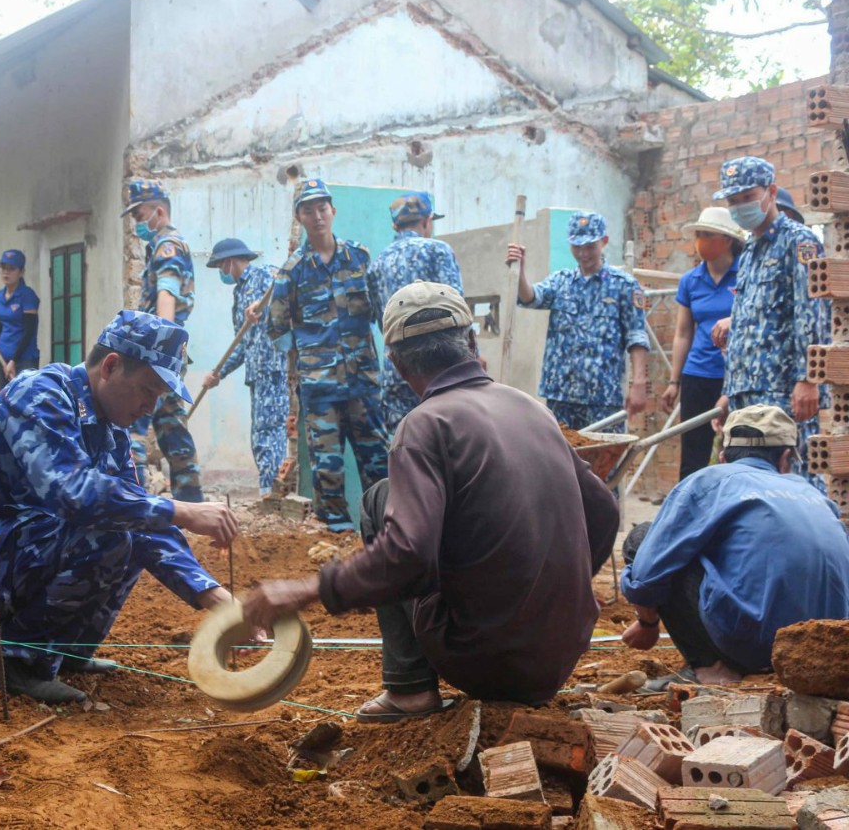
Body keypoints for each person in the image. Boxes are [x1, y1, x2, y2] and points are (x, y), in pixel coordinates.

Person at [245, 282, 619, 713]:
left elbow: (408, 554)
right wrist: (553, 594)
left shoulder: (425, 425)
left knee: (377, 501)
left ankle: (410, 688)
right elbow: (604, 511)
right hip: (562, 653)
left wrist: (309, 589)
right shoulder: (531, 407)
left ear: (398, 365)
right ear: (472, 342)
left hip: (485, 660)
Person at [0, 310, 238, 704]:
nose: (150, 408)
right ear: (111, 366)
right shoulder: (41, 393)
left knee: (130, 525)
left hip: (3, 555)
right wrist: (182, 510)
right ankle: (12, 662)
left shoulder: (111, 433)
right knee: (105, 532)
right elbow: (71, 493)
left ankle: (65, 651)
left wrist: (213, 596)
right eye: (147, 390)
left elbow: (142, 521)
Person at [620, 405, 849, 684]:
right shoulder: (816, 496)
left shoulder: (710, 480)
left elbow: (646, 572)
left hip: (752, 649)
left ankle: (712, 670)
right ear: (785, 458)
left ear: (723, 456)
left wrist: (648, 623)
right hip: (825, 652)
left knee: (644, 539)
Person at [267, 178, 389, 532]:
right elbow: (276, 329)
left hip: (364, 381)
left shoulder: (359, 257)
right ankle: (338, 537)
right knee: (327, 467)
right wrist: (306, 360)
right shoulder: (292, 271)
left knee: (378, 461)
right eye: (309, 210)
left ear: (332, 211)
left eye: (322, 208)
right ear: (300, 217)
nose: (317, 215)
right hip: (319, 389)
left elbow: (381, 312)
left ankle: (385, 532)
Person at [710, 157, 830, 492]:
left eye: (747, 197)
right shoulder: (748, 253)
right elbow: (749, 325)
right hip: (746, 395)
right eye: (732, 201)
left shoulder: (799, 242)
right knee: (752, 487)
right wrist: (727, 394)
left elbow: (811, 312)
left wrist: (808, 380)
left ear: (771, 191)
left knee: (795, 482)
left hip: (785, 393)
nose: (739, 207)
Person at [508, 211, 649, 431]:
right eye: (577, 246)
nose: (583, 253)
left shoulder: (624, 286)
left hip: (602, 397)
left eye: (590, 246)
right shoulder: (560, 281)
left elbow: (637, 336)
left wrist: (639, 383)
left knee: (604, 460)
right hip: (561, 395)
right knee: (560, 460)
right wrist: (519, 270)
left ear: (604, 241)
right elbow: (530, 298)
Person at [122, 179, 203, 502]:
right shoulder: (167, 244)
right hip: (169, 350)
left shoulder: (166, 245)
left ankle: (134, 503)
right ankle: (191, 503)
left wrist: (159, 351)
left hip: (157, 351)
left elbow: (166, 296)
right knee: (172, 428)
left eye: (140, 216)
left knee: (133, 427)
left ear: (158, 211)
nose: (138, 224)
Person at [367, 190, 463, 434]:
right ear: (427, 221)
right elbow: (454, 311)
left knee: (407, 446)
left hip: (398, 367)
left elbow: (381, 321)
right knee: (447, 446)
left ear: (395, 225)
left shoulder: (378, 263)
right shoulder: (438, 251)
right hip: (441, 366)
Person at [658, 208, 745, 480]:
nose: (702, 241)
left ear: (728, 239)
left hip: (735, 374)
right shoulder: (691, 280)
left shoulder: (745, 273)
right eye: (699, 235)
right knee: (693, 449)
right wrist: (674, 381)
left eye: (709, 235)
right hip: (698, 374)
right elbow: (683, 332)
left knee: (737, 446)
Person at [201, 238, 288, 497]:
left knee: (270, 430)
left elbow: (284, 291)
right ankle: (267, 488)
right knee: (260, 432)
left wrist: (265, 309)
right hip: (256, 373)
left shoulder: (265, 275)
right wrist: (219, 373)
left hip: (274, 368)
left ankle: (272, 491)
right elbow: (241, 342)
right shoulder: (238, 292)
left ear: (229, 261)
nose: (221, 272)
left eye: (220, 266)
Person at [0, 248, 39, 390]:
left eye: (11, 269)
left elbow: (29, 330)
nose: (6, 272)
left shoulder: (27, 295)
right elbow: (0, 325)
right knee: (4, 402)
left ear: (21, 272)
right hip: (2, 357)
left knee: (22, 401)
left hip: (23, 360)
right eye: (3, 268)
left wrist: (14, 360)